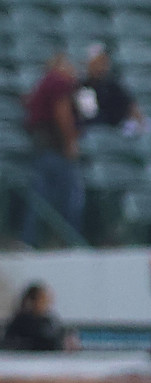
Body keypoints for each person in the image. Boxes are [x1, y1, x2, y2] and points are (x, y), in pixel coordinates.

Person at [21, 51, 84, 246]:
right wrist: (70, 143)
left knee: (42, 199)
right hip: (54, 148)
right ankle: (69, 242)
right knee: (69, 199)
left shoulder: (44, 82)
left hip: (42, 146)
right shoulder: (58, 82)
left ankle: (30, 242)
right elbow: (62, 114)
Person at [76, 44, 146, 134]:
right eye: (97, 63)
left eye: (104, 63)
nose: (101, 67)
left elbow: (132, 108)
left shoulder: (114, 86)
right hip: (89, 131)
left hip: (114, 130)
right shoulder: (80, 85)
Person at [2, 284, 64, 352]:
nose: (46, 303)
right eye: (42, 299)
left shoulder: (50, 322)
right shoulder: (21, 322)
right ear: (31, 301)